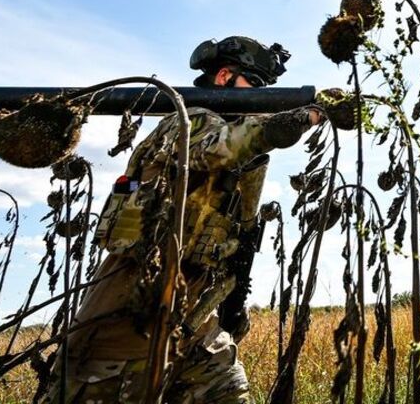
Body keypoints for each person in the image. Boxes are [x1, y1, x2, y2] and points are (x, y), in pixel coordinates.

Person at [53, 36, 321, 403]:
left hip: (192, 310)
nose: (261, 97)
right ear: (224, 76)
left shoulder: (242, 153)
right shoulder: (189, 120)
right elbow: (220, 148)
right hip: (133, 301)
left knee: (228, 389)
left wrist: (232, 298)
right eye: (255, 84)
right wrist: (304, 116)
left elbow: (237, 229)